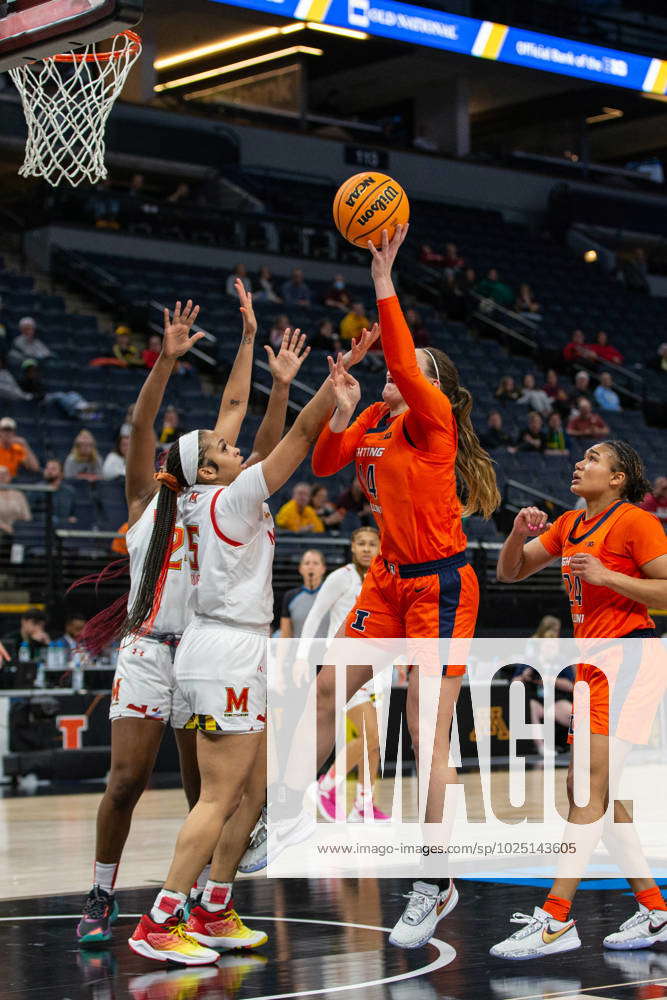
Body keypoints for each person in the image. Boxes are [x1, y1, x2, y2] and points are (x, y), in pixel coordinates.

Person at [77, 283, 300, 949]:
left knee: (210, 792)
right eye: (207, 444)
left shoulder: (220, 494)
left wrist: (249, 338)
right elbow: (142, 428)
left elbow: (237, 405)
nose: (220, 442)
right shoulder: (149, 497)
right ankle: (102, 890)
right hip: (151, 650)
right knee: (125, 781)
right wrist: (166, 361)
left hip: (203, 647)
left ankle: (198, 906)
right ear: (190, 463)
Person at [124, 350, 363, 965]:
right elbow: (301, 437)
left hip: (233, 646)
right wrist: (327, 387)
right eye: (223, 449)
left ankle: (214, 904)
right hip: (225, 648)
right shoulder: (228, 499)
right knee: (217, 797)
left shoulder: (217, 497)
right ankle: (161, 916)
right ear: (207, 468)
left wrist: (281, 385)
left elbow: (265, 439)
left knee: (255, 789)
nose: (238, 450)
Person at [310, 225, 500, 949]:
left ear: (431, 388)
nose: (397, 372)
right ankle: (284, 813)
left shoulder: (432, 423)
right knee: (327, 690)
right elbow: (328, 464)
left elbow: (398, 354)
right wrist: (337, 402)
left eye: (411, 368)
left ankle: (434, 878)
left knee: (425, 735)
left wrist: (384, 281)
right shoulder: (375, 420)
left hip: (441, 589)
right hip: (387, 583)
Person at [492, 440, 667, 958]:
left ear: (617, 479)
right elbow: (511, 571)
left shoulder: (636, 522)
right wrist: (517, 534)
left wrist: (609, 575)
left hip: (630, 656)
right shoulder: (569, 524)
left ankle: (555, 918)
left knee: (587, 789)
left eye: (593, 458)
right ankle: (655, 910)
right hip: (593, 662)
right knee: (591, 792)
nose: (579, 463)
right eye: (581, 456)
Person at [295, 528, 390, 823]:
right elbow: (314, 616)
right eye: (360, 543)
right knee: (368, 734)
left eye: (372, 544)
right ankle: (326, 786)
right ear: (352, 547)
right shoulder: (341, 577)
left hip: (376, 668)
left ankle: (364, 804)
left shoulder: (383, 578)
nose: (366, 549)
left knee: (375, 742)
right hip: (345, 664)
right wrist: (300, 657)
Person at [513, 616, 572, 758]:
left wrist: (551, 680)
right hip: (538, 701)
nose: (550, 649)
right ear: (540, 647)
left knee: (573, 712)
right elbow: (515, 681)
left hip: (556, 701)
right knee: (531, 706)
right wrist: (524, 677)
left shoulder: (561, 661)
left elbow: (571, 686)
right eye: (547, 646)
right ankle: (541, 747)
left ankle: (580, 746)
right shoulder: (531, 661)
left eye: (553, 646)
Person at [280, 549, 327, 639]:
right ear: (300, 569)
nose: (311, 567)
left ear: (323, 569)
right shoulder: (290, 597)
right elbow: (285, 636)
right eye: (307, 563)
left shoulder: (333, 595)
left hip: (327, 652)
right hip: (299, 652)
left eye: (315, 563)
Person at [0, 465, 31, 546]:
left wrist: (17, 529)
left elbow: (26, 516)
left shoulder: (18, 494)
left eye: (4, 474)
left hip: (18, 531)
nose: (2, 477)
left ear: (10, 477)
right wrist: (6, 528)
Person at [41, 459, 77, 525]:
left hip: (65, 528)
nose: (49, 471)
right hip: (42, 528)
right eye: (47, 468)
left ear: (61, 473)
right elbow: (32, 515)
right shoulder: (36, 490)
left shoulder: (69, 492)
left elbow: (74, 514)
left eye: (53, 469)